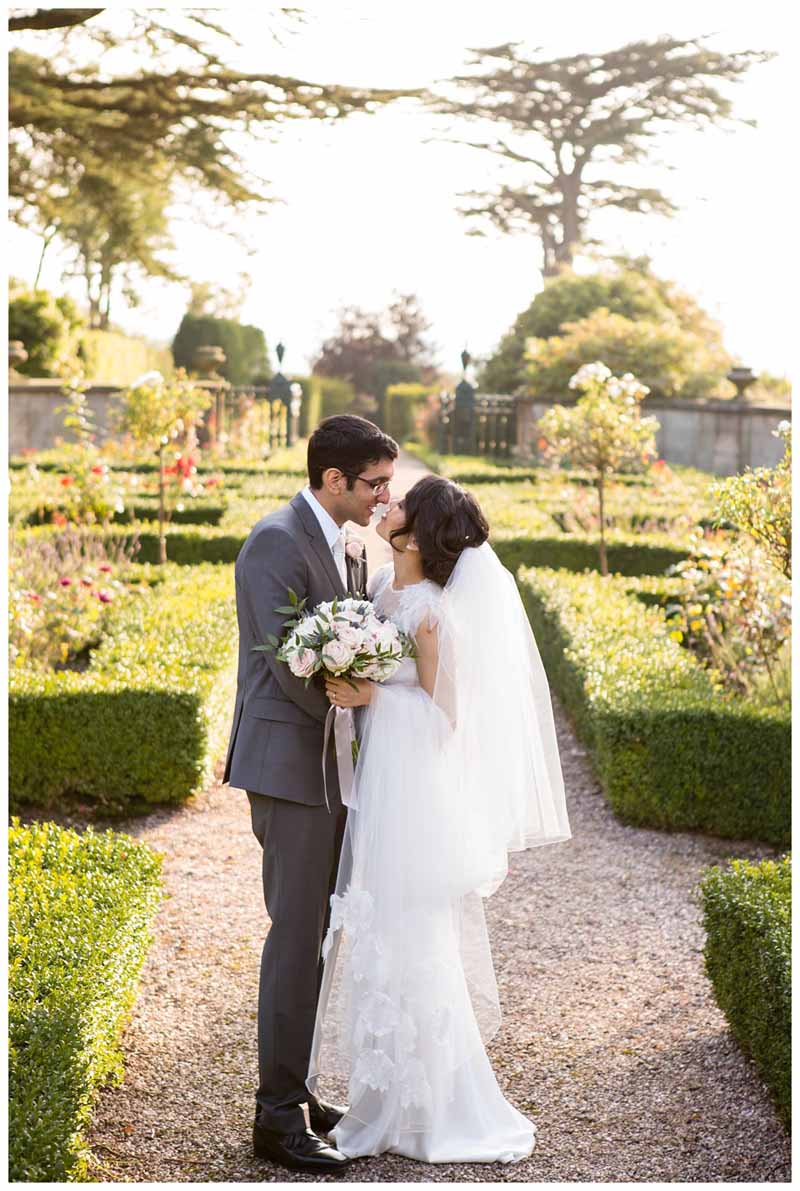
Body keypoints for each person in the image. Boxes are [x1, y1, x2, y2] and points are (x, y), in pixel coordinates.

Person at [310, 474, 572, 1164]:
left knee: (412, 934)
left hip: (414, 793)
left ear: (417, 531)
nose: (386, 502)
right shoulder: (381, 594)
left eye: (399, 502)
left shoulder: (428, 610)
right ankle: (379, 1103)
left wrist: (372, 694)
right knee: (376, 933)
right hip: (382, 783)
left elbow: (448, 717)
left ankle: (432, 1109)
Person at [223, 414, 399, 1175]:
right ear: (334, 480)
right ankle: (274, 1118)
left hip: (334, 767)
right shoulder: (274, 540)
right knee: (295, 938)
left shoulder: (350, 544)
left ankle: (299, 1089)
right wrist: (348, 694)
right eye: (374, 484)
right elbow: (288, 659)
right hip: (290, 767)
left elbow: (341, 635)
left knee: (322, 934)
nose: (384, 499)